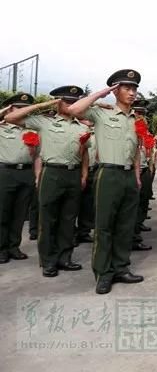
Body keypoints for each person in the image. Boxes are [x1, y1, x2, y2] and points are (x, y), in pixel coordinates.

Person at [67, 69, 145, 294]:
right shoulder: (102, 114)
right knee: (104, 226)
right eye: (126, 88)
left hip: (129, 176)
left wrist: (137, 175)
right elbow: (73, 109)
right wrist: (102, 94)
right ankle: (103, 273)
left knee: (125, 226)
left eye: (134, 89)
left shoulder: (136, 120)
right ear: (115, 90)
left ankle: (121, 268)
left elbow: (136, 150)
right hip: (108, 174)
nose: (132, 93)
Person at [6, 86, 90, 277]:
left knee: (68, 219)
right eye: (67, 101)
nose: (71, 105)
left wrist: (84, 175)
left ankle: (65, 257)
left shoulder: (83, 127)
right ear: (58, 102)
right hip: (51, 173)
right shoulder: (44, 122)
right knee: (48, 218)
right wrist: (46, 104)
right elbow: (11, 118)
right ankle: (48, 261)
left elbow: (84, 153)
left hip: (73, 174)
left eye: (74, 102)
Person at [0, 93, 35, 265]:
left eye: (24, 108)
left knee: (20, 213)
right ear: (10, 108)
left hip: (26, 173)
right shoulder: (1, 127)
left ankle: (14, 246)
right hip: (5, 173)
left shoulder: (32, 128)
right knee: (3, 212)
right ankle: (1, 248)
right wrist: (4, 111)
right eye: (18, 108)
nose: (22, 111)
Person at [130, 98, 153, 252]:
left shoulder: (144, 128)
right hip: (130, 171)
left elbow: (146, 150)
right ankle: (132, 238)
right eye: (138, 112)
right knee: (132, 206)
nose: (141, 115)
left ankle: (137, 230)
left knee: (142, 201)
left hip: (143, 168)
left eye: (143, 113)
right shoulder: (128, 125)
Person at [75, 122, 97, 245]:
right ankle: (71, 233)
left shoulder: (96, 132)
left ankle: (84, 231)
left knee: (88, 204)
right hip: (76, 170)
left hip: (93, 170)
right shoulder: (76, 130)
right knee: (73, 204)